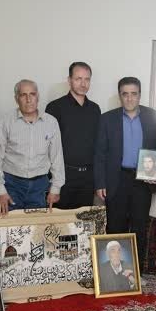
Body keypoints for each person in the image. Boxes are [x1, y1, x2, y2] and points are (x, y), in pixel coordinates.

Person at [94, 77, 156, 272]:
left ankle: (136, 273)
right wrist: (100, 183)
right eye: (125, 94)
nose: (130, 98)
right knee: (116, 227)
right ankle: (114, 274)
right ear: (120, 96)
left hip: (142, 181)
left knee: (139, 228)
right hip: (116, 180)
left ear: (139, 95)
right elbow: (100, 153)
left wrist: (154, 173)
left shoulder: (151, 116)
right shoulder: (107, 119)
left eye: (134, 94)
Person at [0, 79, 65, 214]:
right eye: (23, 95)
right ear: (16, 98)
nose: (28, 99)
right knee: (10, 225)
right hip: (11, 185)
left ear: (38, 97)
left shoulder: (51, 122)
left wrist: (56, 188)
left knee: (37, 225)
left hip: (39, 186)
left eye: (32, 94)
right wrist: (0, 190)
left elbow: (57, 157)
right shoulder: (5, 122)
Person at [45, 62, 101, 209]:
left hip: (88, 178)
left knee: (83, 221)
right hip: (62, 176)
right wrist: (52, 181)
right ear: (69, 80)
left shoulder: (95, 109)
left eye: (87, 79)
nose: (83, 84)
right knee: (60, 220)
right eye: (78, 79)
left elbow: (98, 146)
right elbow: (47, 146)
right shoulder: (55, 107)